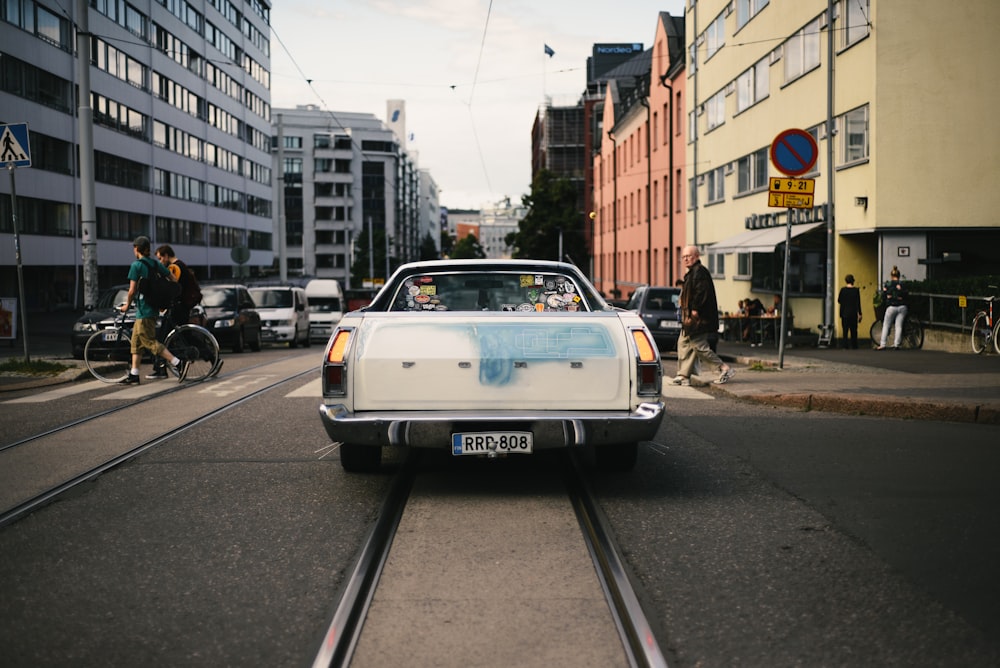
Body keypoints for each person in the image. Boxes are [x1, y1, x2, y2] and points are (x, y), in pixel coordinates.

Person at [120, 236, 189, 384]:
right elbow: (173, 278)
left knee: (150, 342)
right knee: (136, 343)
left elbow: (132, 290)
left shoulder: (136, 266)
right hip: (151, 308)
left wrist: (126, 305)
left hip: (144, 311)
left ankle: (177, 362)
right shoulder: (154, 264)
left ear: (137, 249)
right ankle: (134, 374)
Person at [672, 246, 735, 386]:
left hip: (698, 318)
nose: (686, 259)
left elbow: (701, 292)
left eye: (689, 256)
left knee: (698, 346)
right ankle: (683, 376)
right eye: (684, 257)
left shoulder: (699, 272)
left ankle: (723, 368)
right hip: (691, 317)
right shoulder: (692, 272)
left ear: (697, 256)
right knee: (684, 343)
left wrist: (695, 310)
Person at [147, 244, 199, 379]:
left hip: (178, 307)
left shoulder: (175, 267)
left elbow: (172, 288)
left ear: (165, 256)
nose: (160, 261)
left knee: (162, 339)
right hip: (182, 306)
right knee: (185, 336)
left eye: (160, 258)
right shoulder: (181, 264)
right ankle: (211, 357)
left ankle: (162, 369)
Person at [877, 266, 908, 350]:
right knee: (899, 325)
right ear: (899, 275)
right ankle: (896, 344)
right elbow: (906, 294)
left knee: (886, 325)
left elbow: (883, 295)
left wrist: (887, 298)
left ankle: (882, 344)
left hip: (891, 307)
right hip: (902, 307)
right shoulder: (902, 284)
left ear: (891, 275)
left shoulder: (888, 284)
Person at [838, 274, 862, 349]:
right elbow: (858, 303)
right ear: (853, 281)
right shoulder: (856, 290)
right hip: (853, 313)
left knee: (845, 330)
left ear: (846, 281)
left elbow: (839, 300)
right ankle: (854, 345)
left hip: (844, 313)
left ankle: (845, 345)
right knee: (854, 330)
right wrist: (860, 313)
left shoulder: (843, 290)